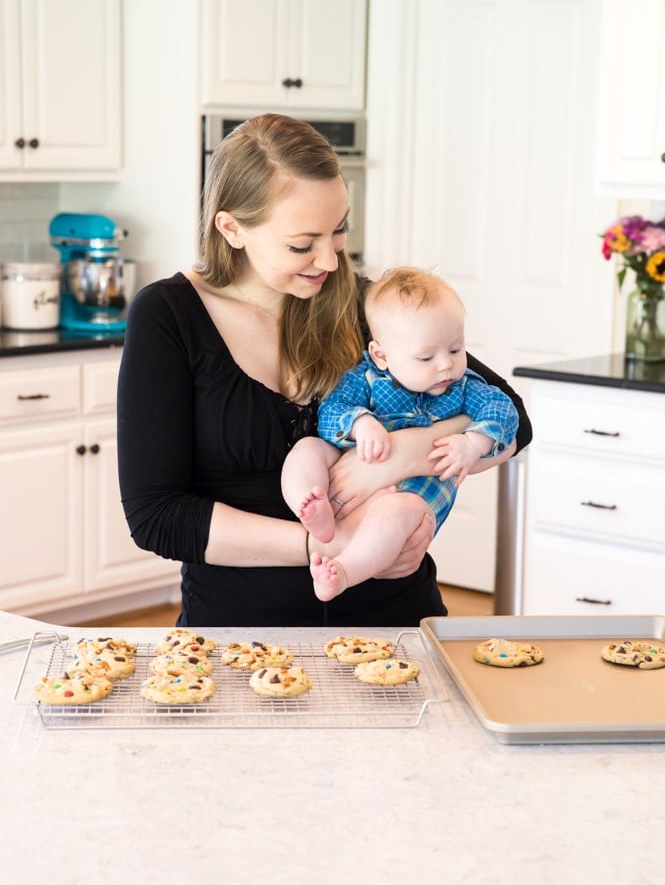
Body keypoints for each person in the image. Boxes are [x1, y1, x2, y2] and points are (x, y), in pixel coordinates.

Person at [117, 112, 532, 628]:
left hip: (397, 621)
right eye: (302, 244)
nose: (330, 261)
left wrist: (398, 458)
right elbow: (158, 517)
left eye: (338, 232)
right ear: (232, 228)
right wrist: (328, 545)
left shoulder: (364, 304)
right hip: (239, 634)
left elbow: (514, 418)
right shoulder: (169, 316)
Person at [281, 267, 519, 601]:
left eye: (455, 349)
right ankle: (310, 504)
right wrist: (361, 424)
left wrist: (472, 443)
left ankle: (344, 572)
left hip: (410, 497)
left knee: (395, 513)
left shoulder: (464, 388)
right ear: (381, 355)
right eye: (426, 357)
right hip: (349, 472)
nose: (445, 366)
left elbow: (505, 409)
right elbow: (332, 410)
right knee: (307, 449)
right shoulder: (363, 378)